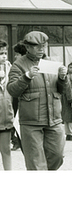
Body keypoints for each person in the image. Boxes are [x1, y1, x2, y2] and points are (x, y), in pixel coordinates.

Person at [7, 31, 68, 170]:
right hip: (31, 122)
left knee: (57, 156)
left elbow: (62, 90)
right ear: (27, 47)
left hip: (54, 120)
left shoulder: (51, 62)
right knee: (35, 162)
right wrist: (26, 76)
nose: (41, 50)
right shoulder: (18, 65)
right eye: (37, 47)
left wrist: (62, 79)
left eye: (43, 46)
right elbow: (12, 90)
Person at [0, 40, 14, 170]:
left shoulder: (10, 68)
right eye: (0, 53)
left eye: (5, 53)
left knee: (6, 150)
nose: (4, 56)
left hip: (5, 116)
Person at [10, 41, 27, 151]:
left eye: (17, 54)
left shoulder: (21, 66)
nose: (15, 56)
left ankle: (17, 141)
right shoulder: (15, 66)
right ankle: (16, 141)